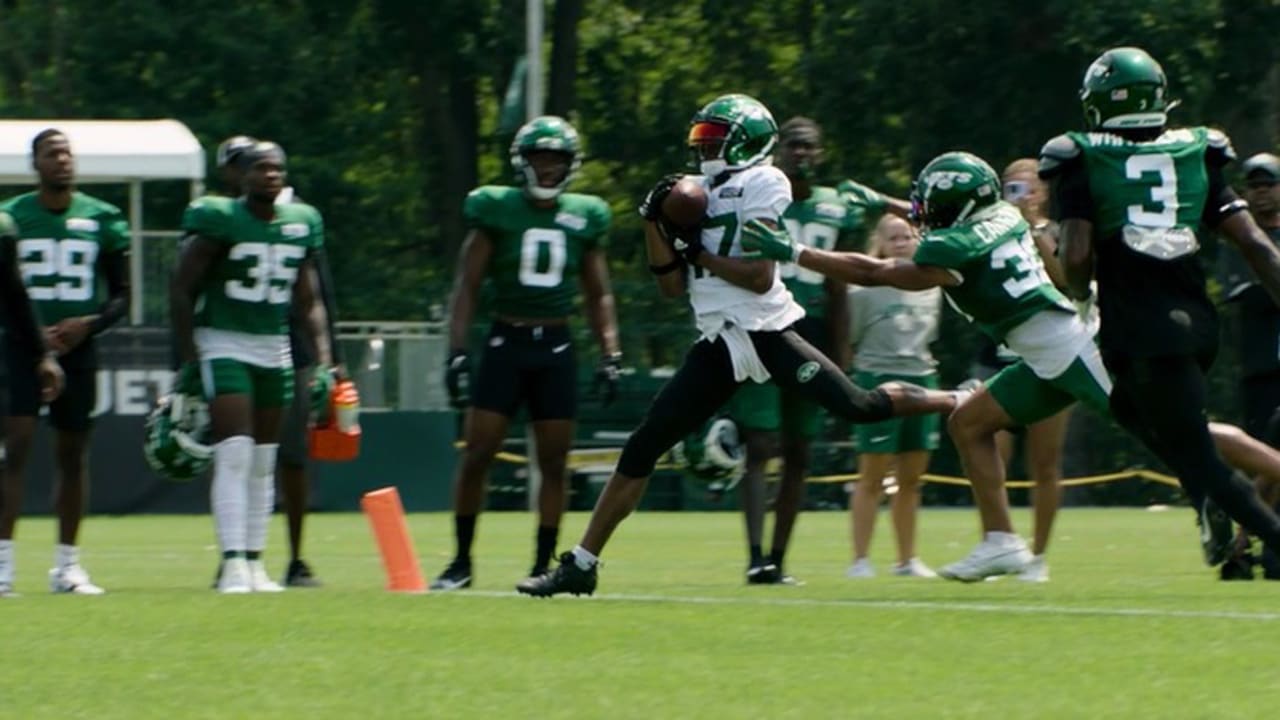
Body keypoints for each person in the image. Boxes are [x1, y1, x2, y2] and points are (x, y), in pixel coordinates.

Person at [744, 148, 1280, 581]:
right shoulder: (1001, 215)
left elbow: (877, 271)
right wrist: (890, 204)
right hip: (1045, 352)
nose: (922, 213)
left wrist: (795, 252)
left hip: (1072, 349)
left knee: (1183, 434)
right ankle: (1001, 540)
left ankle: (1272, 467)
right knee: (969, 422)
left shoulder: (954, 247)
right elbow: (942, 224)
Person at [517, 94, 964, 598]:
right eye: (700, 140)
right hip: (721, 340)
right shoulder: (699, 190)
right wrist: (652, 222)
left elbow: (757, 275)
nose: (704, 149)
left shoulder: (765, 180)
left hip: (768, 330)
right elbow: (669, 286)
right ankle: (581, 563)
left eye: (713, 139)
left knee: (858, 407)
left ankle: (956, 398)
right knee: (645, 444)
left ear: (746, 142)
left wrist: (699, 251)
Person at [1044, 46, 1280, 572]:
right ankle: (1205, 500)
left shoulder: (1080, 157)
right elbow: (1258, 247)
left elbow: (1077, 253)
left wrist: (1080, 293)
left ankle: (1227, 510)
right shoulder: (1197, 150)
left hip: (1141, 328)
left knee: (1200, 457)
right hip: (1196, 324)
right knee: (1129, 409)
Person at [431, 116, 621, 592]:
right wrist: (456, 350)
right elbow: (467, 286)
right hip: (505, 342)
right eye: (541, 158)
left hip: (556, 346)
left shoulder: (586, 215)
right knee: (478, 454)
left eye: (558, 160)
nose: (549, 168)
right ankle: (460, 561)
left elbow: (599, 293)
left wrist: (610, 352)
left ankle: (542, 564)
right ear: (523, 162)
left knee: (554, 463)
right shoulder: (496, 209)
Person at [724, 116, 903, 585]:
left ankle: (779, 560)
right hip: (763, 327)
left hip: (815, 330)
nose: (800, 154)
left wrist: (842, 351)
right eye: (792, 146)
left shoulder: (836, 204)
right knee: (760, 443)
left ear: (819, 154)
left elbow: (841, 285)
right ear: (777, 151)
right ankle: (754, 555)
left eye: (808, 147)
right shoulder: (758, 194)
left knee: (800, 450)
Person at [171, 141, 333, 593]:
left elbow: (309, 301)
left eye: (277, 168)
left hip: (274, 346)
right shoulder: (219, 218)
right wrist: (188, 358)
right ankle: (233, 561)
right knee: (235, 452)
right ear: (241, 175)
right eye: (261, 168)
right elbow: (181, 288)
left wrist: (323, 363)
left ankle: (256, 561)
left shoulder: (300, 223)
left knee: (265, 459)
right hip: (224, 340)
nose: (270, 175)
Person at [0, 129, 130, 595]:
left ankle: (68, 566)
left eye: (66, 153)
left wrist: (88, 325)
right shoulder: (12, 218)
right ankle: (3, 567)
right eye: (51, 154)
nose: (62, 160)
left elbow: (122, 297)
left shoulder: (103, 217)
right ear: (34, 164)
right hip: (20, 345)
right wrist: (36, 340)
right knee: (14, 450)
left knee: (73, 455)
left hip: (78, 351)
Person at [961, 159, 1076, 583]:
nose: (1021, 195)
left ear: (1042, 192)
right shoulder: (989, 229)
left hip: (1049, 358)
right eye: (1013, 187)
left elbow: (1065, 278)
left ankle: (1039, 556)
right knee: (990, 453)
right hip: (998, 356)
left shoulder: (1057, 231)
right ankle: (998, 540)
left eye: (1028, 187)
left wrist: (1035, 231)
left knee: (1045, 463)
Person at [845, 215, 942, 579]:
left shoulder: (932, 286)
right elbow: (850, 338)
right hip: (877, 380)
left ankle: (907, 560)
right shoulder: (864, 289)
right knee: (871, 475)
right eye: (894, 238)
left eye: (908, 236)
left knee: (912, 479)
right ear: (880, 244)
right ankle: (860, 560)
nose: (902, 242)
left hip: (923, 380)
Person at [0, 210, 66, 597]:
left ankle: (3, 569)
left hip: (11, 356)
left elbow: (18, 296)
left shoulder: (5, 228)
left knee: (11, 458)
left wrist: (44, 355)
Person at [1221, 152, 1280, 579]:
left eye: (1269, 185)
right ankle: (1242, 542)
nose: (1261, 194)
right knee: (1266, 461)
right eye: (1254, 187)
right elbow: (1244, 293)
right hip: (1262, 370)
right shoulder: (1242, 239)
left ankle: (1247, 542)